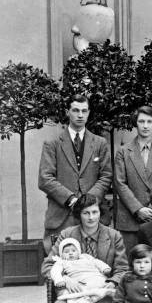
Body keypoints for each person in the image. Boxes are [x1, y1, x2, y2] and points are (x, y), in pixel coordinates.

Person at [38, 94, 112, 253]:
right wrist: (71, 199)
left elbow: (106, 176)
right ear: (67, 112)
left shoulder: (100, 143)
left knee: (95, 266)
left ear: (89, 113)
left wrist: (88, 201)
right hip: (61, 216)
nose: (80, 115)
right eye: (76, 110)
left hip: (93, 216)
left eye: (84, 111)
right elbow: (45, 178)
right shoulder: (53, 143)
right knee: (59, 265)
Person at [114, 106, 152, 252]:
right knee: (130, 264)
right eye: (141, 121)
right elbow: (120, 183)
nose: (145, 125)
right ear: (135, 123)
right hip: (129, 219)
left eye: (149, 121)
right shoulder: (123, 151)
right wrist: (138, 209)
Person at [50, 238, 113, 303]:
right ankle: (81, 302)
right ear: (62, 255)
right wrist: (59, 280)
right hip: (82, 281)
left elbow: (97, 262)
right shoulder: (62, 262)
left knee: (104, 288)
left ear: (78, 251)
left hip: (96, 277)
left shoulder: (86, 257)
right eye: (66, 252)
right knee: (77, 291)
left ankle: (92, 299)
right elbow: (55, 271)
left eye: (73, 250)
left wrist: (104, 268)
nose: (70, 253)